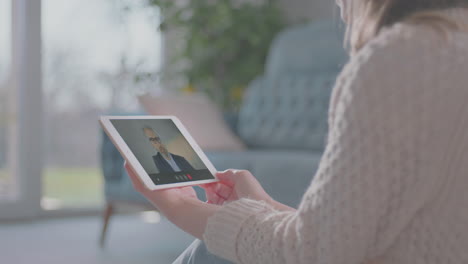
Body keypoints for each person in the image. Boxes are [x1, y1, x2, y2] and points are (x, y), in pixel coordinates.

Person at [125, 0, 468, 263]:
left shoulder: (400, 58)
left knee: (210, 253)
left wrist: (180, 209)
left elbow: (314, 255)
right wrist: (265, 206)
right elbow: (351, 243)